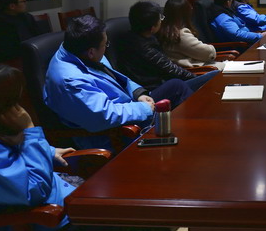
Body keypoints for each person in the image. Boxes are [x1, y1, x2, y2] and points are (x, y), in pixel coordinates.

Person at [0, 64, 75, 231]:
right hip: (45, 222)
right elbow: (34, 191)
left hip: (63, 202)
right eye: (13, 102)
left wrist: (47, 151)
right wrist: (30, 131)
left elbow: (5, 150)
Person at [43, 15, 193, 150]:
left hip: (127, 108)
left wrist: (138, 93)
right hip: (115, 133)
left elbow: (115, 78)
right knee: (180, 128)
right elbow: (103, 116)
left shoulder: (77, 50)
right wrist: (143, 108)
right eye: (105, 44)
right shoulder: (70, 81)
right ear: (91, 52)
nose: (106, 47)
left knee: (176, 86)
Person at [116, 1, 218, 92]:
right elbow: (172, 70)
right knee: (214, 76)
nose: (162, 21)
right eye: (160, 18)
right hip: (155, 89)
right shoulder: (145, 49)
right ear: (152, 28)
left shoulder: (130, 38)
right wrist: (197, 79)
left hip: (158, 84)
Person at [157, 0, 225, 68]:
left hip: (183, 69)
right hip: (198, 70)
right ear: (186, 13)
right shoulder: (181, 35)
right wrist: (211, 48)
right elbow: (208, 53)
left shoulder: (163, 31)